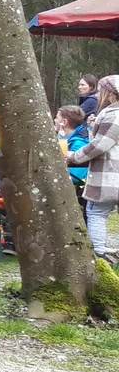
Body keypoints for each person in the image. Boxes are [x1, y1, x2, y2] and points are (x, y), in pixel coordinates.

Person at [69, 77, 119, 266]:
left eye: (101, 91)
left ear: (110, 93)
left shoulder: (114, 114)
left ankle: (98, 255)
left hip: (111, 174)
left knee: (96, 212)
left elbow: (100, 145)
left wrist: (74, 157)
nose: (98, 95)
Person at [56, 104, 90, 187]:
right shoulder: (67, 139)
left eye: (57, 117)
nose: (54, 120)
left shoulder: (79, 143)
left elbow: (78, 176)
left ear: (64, 122)